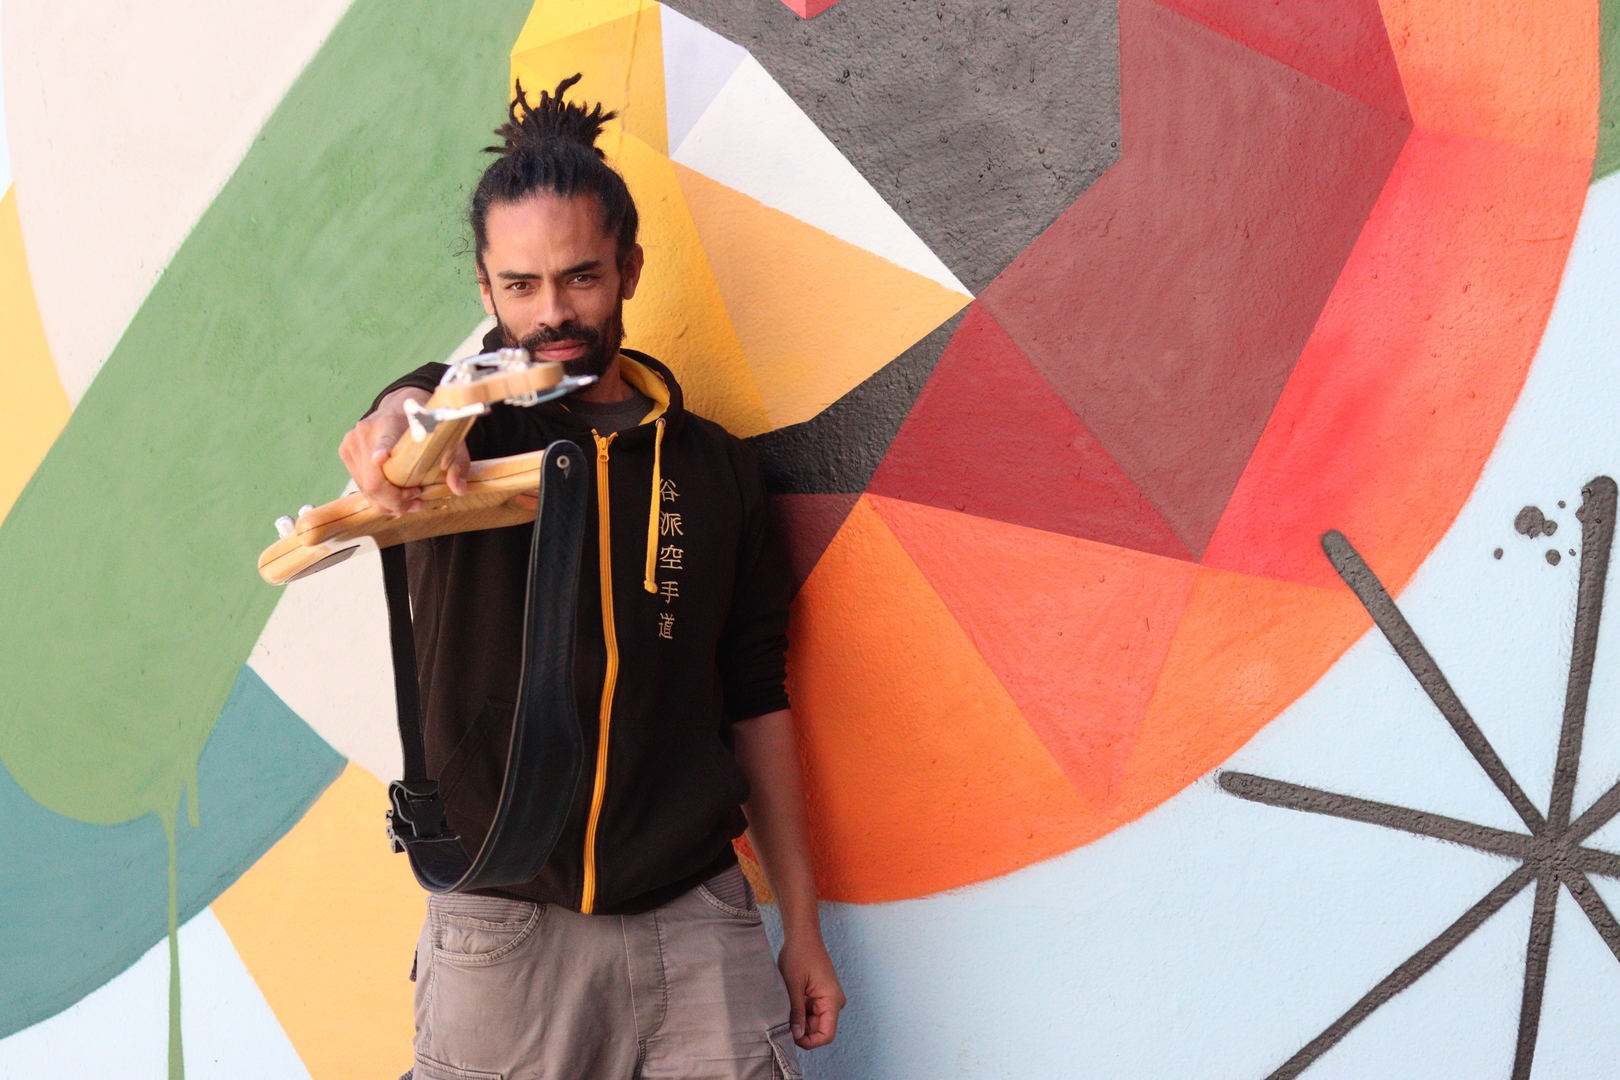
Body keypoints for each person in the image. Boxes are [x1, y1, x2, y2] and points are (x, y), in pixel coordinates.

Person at [339, 76, 844, 1080]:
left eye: (580, 278)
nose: (552, 314)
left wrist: (803, 924)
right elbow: (420, 407)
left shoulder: (718, 470)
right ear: (486, 290)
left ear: (629, 268)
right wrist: (396, 421)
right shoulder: (465, 437)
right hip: (503, 927)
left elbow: (756, 701)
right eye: (520, 286)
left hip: (697, 921)